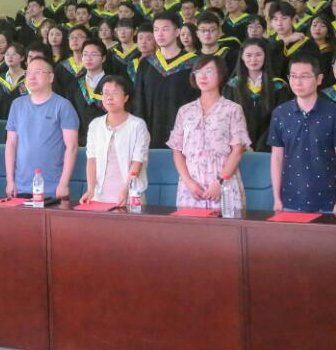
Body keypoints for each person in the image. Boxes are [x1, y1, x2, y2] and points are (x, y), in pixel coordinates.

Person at [268, 57, 336, 214]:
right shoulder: (280, 113)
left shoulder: (334, 112)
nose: (298, 82)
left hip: (329, 201)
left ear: (319, 79)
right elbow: (277, 158)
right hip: (289, 200)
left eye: (305, 76)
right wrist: (276, 198)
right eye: (293, 76)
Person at [169, 55, 250, 210]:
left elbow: (238, 150)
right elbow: (177, 151)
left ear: (220, 75)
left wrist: (220, 182)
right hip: (192, 185)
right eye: (198, 72)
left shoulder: (233, 109)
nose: (202, 76)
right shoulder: (185, 111)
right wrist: (189, 182)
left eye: (209, 71)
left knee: (227, 224)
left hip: (223, 183)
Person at [4, 57, 80, 200]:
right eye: (28, 72)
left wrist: (63, 183)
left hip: (53, 189)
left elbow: (72, 147)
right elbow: (11, 144)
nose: (31, 77)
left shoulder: (63, 106)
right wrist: (10, 181)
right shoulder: (17, 105)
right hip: (20, 187)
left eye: (38, 72)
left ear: (50, 77)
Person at [79, 75, 150, 207]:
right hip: (99, 196)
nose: (109, 97)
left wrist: (126, 189)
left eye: (115, 93)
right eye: (105, 93)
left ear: (126, 97)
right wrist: (90, 190)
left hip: (129, 195)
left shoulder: (137, 125)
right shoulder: (95, 125)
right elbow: (91, 159)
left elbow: (137, 161)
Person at [134, 12, 198, 148]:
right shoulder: (147, 63)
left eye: (165, 29)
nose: (160, 34)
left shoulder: (193, 64)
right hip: (151, 133)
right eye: (156, 30)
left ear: (177, 32)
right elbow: (139, 100)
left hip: (184, 135)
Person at [223, 38, 288, 152]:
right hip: (238, 149)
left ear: (265, 56)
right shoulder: (232, 86)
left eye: (258, 55)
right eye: (248, 55)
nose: (253, 59)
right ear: (242, 57)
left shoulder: (278, 86)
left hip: (270, 148)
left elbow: (280, 119)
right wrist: (242, 143)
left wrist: (262, 146)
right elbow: (226, 119)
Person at [72, 38, 109, 131]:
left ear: (103, 58)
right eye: (85, 54)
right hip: (81, 137)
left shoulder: (112, 83)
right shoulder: (75, 84)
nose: (88, 58)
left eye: (94, 54)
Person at [0, 42, 27, 119]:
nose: (10, 57)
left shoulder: (29, 78)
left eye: (14, 54)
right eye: (7, 54)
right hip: (2, 122)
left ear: (22, 58)